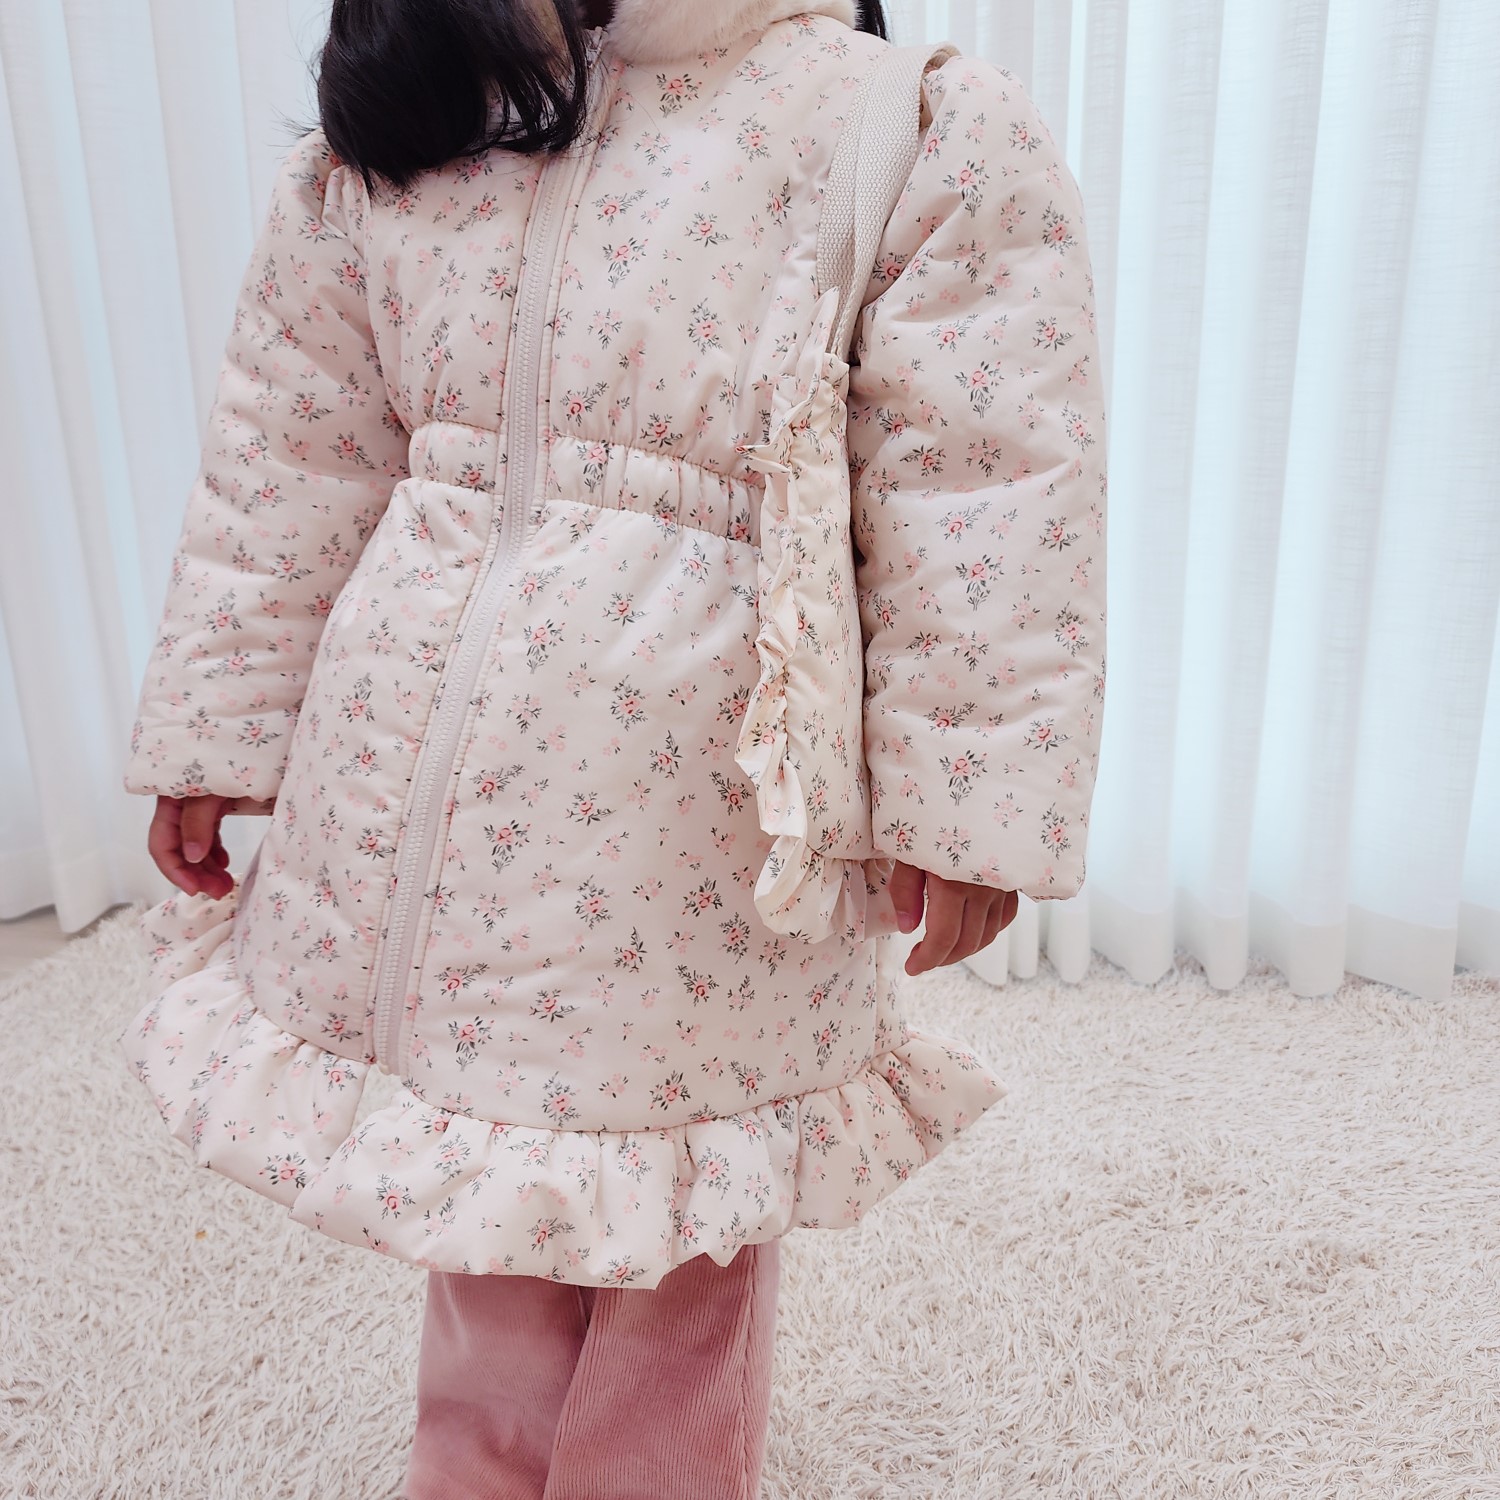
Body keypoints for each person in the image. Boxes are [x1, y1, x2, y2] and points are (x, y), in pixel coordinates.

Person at [118, 0, 1107, 1494]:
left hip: (704, 809)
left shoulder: (898, 126)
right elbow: (294, 448)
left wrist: (968, 806)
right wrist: (222, 721)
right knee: (480, 1177)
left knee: (682, 1211)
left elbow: (984, 491)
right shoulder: (427, 114)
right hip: (425, 784)